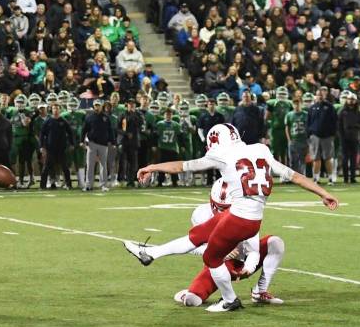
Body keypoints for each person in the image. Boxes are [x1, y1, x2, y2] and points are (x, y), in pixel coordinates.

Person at [124, 124, 339, 312]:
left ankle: (229, 300)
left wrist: (152, 166)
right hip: (250, 218)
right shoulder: (261, 149)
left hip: (240, 219)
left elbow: (181, 166)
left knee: (211, 258)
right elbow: (295, 176)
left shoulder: (222, 154)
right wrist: (323, 193)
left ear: (216, 140)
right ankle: (150, 253)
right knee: (198, 234)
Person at [174, 181, 286, 307]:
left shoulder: (246, 212)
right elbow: (194, 246)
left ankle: (260, 292)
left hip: (243, 260)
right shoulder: (201, 214)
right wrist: (219, 252)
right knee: (192, 300)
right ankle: (187, 293)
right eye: (219, 207)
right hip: (219, 265)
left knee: (275, 243)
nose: (223, 212)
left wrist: (248, 268)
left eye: (227, 207)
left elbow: (253, 250)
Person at [82, 100, 116, 191]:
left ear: (101, 106)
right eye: (95, 105)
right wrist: (82, 141)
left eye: (98, 105)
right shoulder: (89, 117)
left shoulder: (106, 117)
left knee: (103, 165)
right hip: (92, 143)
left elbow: (110, 130)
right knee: (90, 165)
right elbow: (84, 130)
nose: (97, 107)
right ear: (93, 106)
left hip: (103, 144)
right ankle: (88, 185)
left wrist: (113, 142)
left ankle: (103, 185)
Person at [307, 87, 338, 184]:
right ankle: (316, 178)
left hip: (327, 136)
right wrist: (309, 134)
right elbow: (308, 122)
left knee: (328, 158)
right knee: (316, 158)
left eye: (321, 95)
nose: (319, 96)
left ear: (324, 95)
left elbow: (335, 121)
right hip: (315, 136)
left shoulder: (329, 107)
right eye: (318, 95)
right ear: (315, 96)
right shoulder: (312, 108)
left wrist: (333, 134)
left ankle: (330, 178)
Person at [40, 103, 74, 189]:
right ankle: (42, 185)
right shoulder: (47, 121)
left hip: (61, 148)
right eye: (54, 108)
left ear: (60, 110)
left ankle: (68, 185)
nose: (56, 110)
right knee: (46, 167)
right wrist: (42, 146)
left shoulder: (63, 121)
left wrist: (72, 144)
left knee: (65, 167)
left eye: (57, 109)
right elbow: (42, 134)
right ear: (52, 110)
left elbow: (70, 133)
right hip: (50, 148)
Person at [337, 92, 360, 183]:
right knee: (345, 159)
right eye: (349, 99)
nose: (351, 101)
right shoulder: (342, 111)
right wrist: (341, 136)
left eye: (352, 99)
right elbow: (339, 126)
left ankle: (352, 177)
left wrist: (354, 126)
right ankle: (345, 178)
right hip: (344, 138)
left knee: (353, 159)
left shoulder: (358, 112)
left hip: (355, 137)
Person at [285, 97, 310, 175]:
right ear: (292, 105)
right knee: (293, 160)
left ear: (301, 104)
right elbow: (287, 128)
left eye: (298, 103)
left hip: (304, 140)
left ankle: (303, 175)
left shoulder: (306, 114)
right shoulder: (289, 115)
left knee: (303, 160)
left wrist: (309, 139)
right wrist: (289, 140)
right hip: (294, 140)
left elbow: (309, 127)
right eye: (295, 104)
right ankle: (293, 177)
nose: (296, 105)